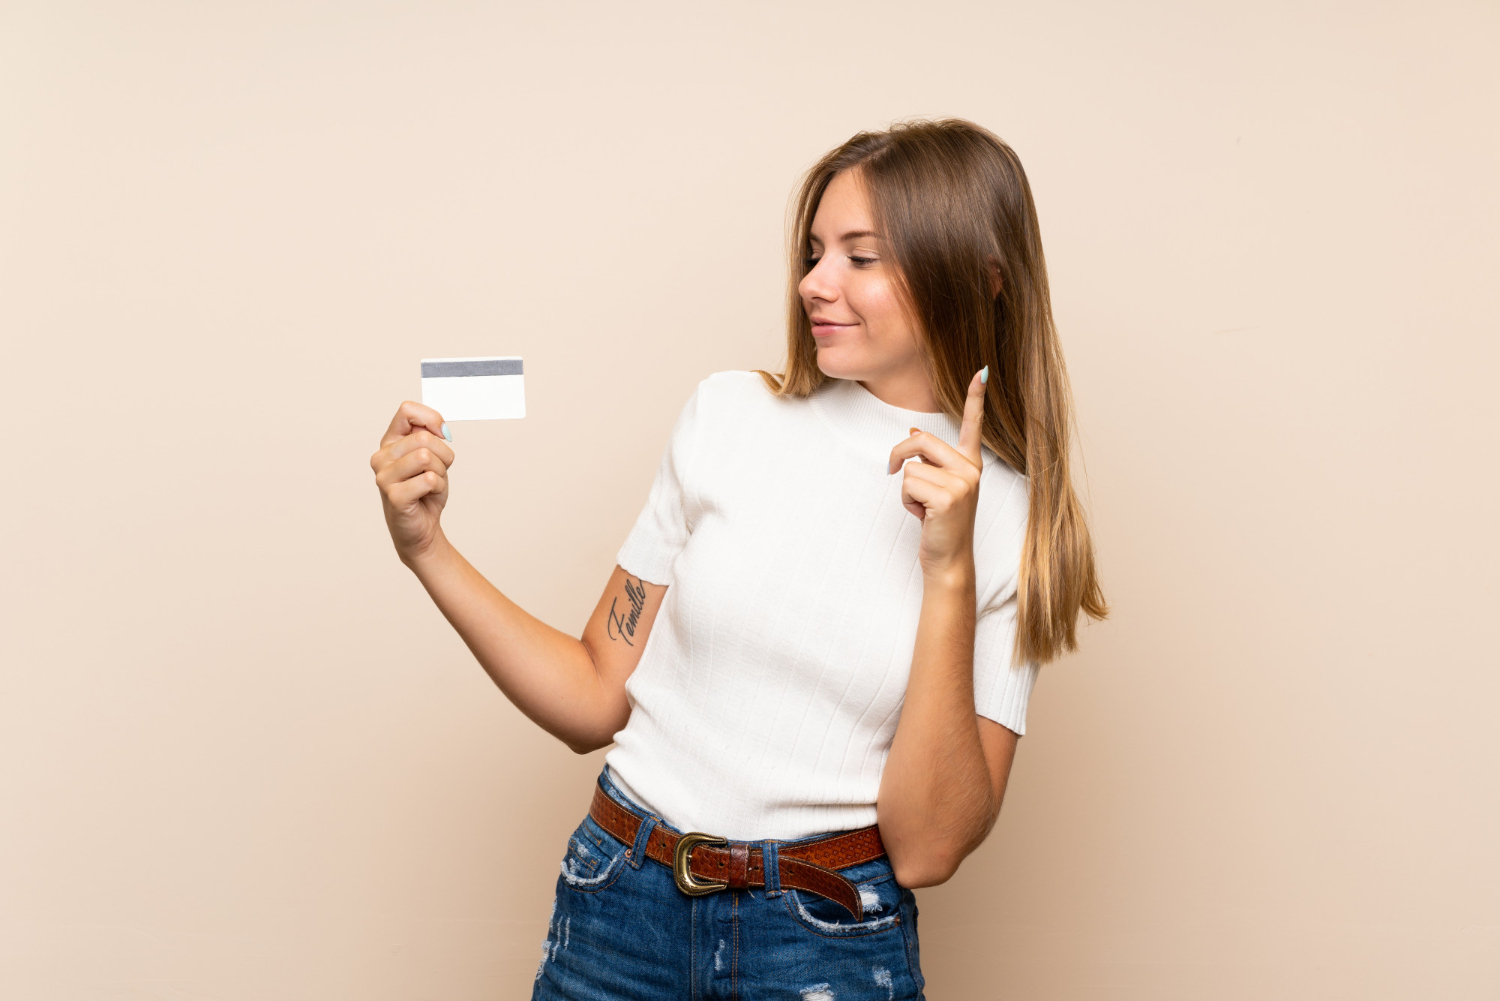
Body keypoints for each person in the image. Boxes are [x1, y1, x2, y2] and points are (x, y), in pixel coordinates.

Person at [369, 118, 1106, 1000]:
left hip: (822, 944)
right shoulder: (728, 416)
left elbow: (928, 845)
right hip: (619, 904)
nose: (814, 283)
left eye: (861, 257)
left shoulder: (1016, 518)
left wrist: (947, 567)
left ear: (978, 276)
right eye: (814, 250)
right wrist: (427, 549)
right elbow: (593, 694)